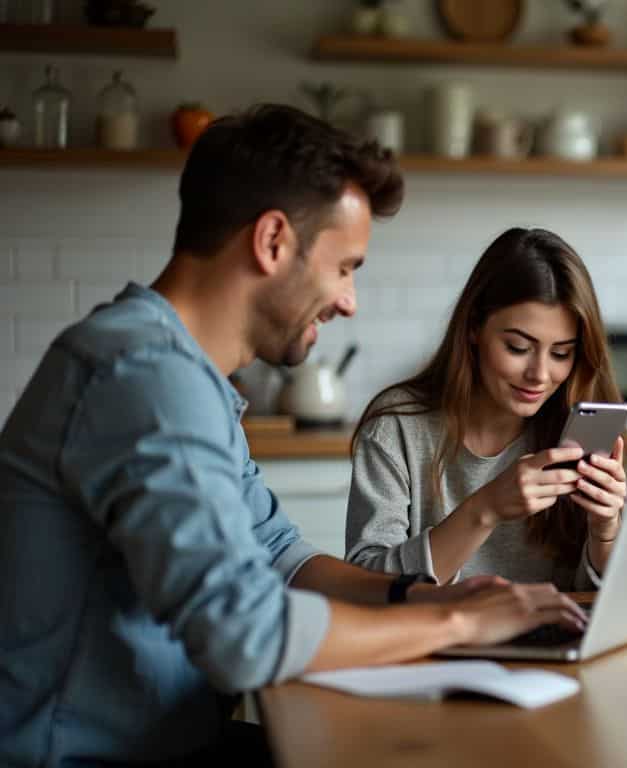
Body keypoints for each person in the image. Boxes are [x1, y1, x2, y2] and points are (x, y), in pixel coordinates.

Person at [0, 105, 584, 767]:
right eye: (344, 267)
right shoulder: (142, 376)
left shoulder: (183, 374)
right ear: (273, 241)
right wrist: (455, 623)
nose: (349, 300)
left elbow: (282, 555)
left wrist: (421, 593)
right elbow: (242, 633)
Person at [345, 227, 627, 591]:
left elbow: (603, 603)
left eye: (561, 353)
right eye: (517, 347)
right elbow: (365, 584)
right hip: (435, 642)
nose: (540, 375)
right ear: (474, 327)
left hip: (557, 642)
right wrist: (486, 509)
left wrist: (605, 531)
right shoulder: (398, 427)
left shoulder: (580, 425)